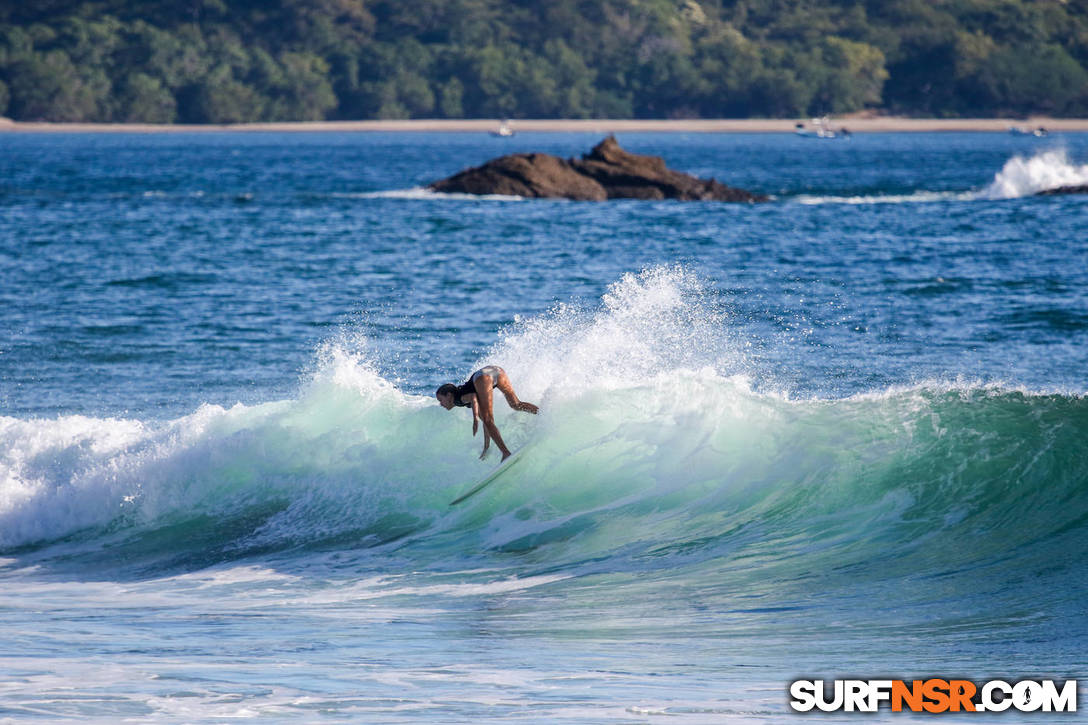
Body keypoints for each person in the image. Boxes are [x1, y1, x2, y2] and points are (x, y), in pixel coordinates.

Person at [436, 365, 538, 461]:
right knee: (516, 404)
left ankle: (506, 453)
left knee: (488, 419)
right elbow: (486, 424)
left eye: (441, 400)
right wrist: (486, 446)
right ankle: (543, 413)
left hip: (483, 377)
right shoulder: (461, 396)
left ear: (449, 395)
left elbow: (473, 397)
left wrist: (475, 417)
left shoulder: (458, 399)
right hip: (496, 371)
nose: (441, 404)